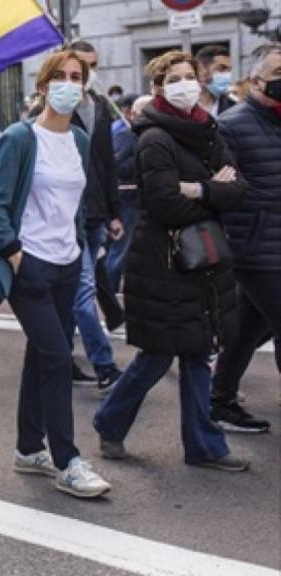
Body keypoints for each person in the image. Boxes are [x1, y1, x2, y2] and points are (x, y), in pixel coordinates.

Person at [93, 50, 251, 473]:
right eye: (174, 78)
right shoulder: (154, 138)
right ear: (158, 88)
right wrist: (212, 192)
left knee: (199, 351)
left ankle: (204, 446)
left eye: (190, 76)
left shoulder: (208, 130)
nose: (186, 85)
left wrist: (197, 190)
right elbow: (163, 204)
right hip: (164, 262)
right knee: (158, 355)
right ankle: (109, 421)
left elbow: (239, 188)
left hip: (203, 261)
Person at [0, 49, 113, 499]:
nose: (71, 84)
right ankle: (67, 460)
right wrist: (17, 256)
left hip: (66, 263)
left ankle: (27, 448)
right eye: (62, 76)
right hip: (30, 266)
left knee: (42, 355)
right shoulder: (19, 138)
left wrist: (77, 249)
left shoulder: (78, 139)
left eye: (78, 76)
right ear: (42, 86)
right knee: (58, 357)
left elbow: (74, 204)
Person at [210, 43, 281, 433]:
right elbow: (222, 190)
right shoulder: (232, 124)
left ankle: (219, 402)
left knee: (247, 329)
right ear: (255, 81)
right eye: (278, 75)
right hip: (254, 247)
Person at [65, 40, 125, 393]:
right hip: (66, 220)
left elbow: (106, 164)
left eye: (93, 64)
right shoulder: (50, 111)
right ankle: (104, 365)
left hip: (96, 216)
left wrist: (114, 211)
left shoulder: (100, 107)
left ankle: (60, 357)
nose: (89, 72)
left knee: (72, 295)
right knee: (83, 295)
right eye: (81, 65)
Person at [105, 94, 152, 293]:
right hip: (128, 200)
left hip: (143, 201)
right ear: (132, 114)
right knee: (120, 250)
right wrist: (144, 159)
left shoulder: (150, 135)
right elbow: (117, 166)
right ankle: (109, 293)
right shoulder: (126, 135)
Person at [195, 45, 236, 118]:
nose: (227, 75)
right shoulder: (182, 105)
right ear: (201, 70)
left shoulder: (234, 107)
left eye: (229, 70)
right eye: (221, 68)